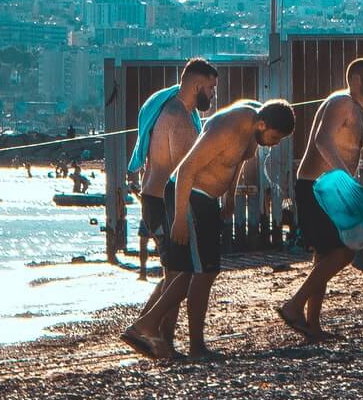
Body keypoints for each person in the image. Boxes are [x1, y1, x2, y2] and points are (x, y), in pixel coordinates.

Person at [126, 99, 296, 361]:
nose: (275, 144)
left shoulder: (255, 124)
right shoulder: (227, 127)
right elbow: (185, 170)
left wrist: (229, 196)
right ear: (263, 124)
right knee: (194, 272)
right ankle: (151, 329)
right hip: (188, 195)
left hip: (207, 200)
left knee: (202, 271)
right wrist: (179, 218)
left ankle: (175, 338)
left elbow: (238, 161)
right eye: (276, 137)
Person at [278, 58, 363, 342]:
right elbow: (323, 141)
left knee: (325, 255)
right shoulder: (342, 102)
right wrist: (347, 178)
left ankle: (312, 324)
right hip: (318, 186)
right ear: (356, 79)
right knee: (343, 251)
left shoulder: (359, 109)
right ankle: (294, 305)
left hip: (331, 186)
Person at [123, 58, 220, 281]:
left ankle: (153, 318)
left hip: (155, 201)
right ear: (197, 87)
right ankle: (151, 318)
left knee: (175, 278)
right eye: (211, 88)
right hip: (163, 204)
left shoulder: (179, 110)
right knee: (178, 278)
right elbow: (185, 173)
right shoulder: (178, 117)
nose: (213, 94)